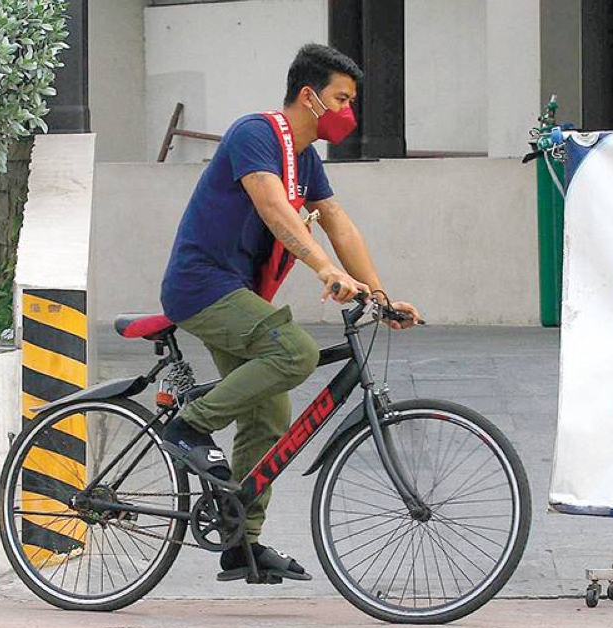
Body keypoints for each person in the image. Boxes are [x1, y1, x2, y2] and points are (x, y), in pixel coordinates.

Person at [158, 43, 420, 583]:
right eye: (341, 99)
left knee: (269, 415)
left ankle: (241, 546)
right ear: (310, 96)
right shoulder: (254, 134)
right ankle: (188, 426)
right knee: (294, 350)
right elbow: (274, 208)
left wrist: (380, 295)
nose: (350, 112)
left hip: (238, 292)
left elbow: (337, 220)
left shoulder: (305, 159)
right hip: (202, 286)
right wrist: (325, 269)